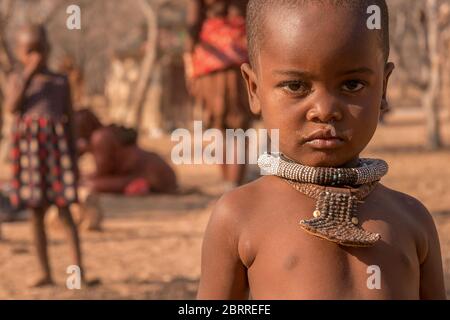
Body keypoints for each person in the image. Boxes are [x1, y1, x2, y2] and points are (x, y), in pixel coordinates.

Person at [197, 0, 446, 299]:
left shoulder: (412, 219)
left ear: (383, 88)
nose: (325, 110)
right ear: (254, 89)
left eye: (352, 85)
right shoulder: (238, 216)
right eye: (296, 86)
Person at [4, 24, 86, 287]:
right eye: (29, 51)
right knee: (35, 213)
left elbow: (70, 121)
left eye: (40, 50)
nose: (35, 56)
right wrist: (28, 75)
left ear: (49, 49)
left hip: (56, 155)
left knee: (65, 211)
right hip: (30, 156)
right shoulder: (17, 79)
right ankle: (45, 272)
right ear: (19, 52)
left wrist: (74, 158)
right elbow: (11, 107)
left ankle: (77, 272)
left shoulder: (60, 81)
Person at [185, 0, 253, 190]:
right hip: (242, 52)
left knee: (220, 126)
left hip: (210, 61)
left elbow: (193, 21)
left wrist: (189, 59)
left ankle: (230, 184)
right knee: (239, 126)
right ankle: (233, 184)